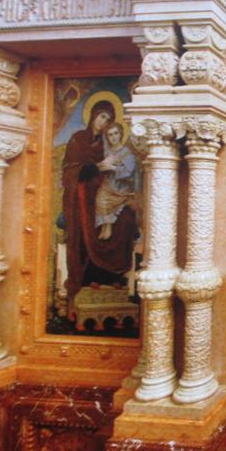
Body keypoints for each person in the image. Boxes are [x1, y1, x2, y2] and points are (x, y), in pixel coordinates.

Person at [61, 99, 138, 319]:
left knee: (127, 220)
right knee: (87, 229)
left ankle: (113, 276)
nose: (104, 122)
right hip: (82, 197)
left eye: (108, 119)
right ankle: (89, 278)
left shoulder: (107, 145)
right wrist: (97, 167)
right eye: (102, 116)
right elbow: (69, 171)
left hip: (107, 194)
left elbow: (124, 170)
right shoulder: (79, 139)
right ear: (93, 115)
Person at [94, 122, 137, 240]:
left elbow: (129, 172)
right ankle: (105, 226)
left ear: (121, 134)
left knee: (104, 199)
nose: (113, 137)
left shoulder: (126, 153)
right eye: (110, 135)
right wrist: (102, 166)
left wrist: (112, 167)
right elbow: (100, 166)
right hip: (108, 183)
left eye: (115, 133)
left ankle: (108, 227)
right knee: (100, 200)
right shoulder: (107, 151)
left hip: (121, 188)